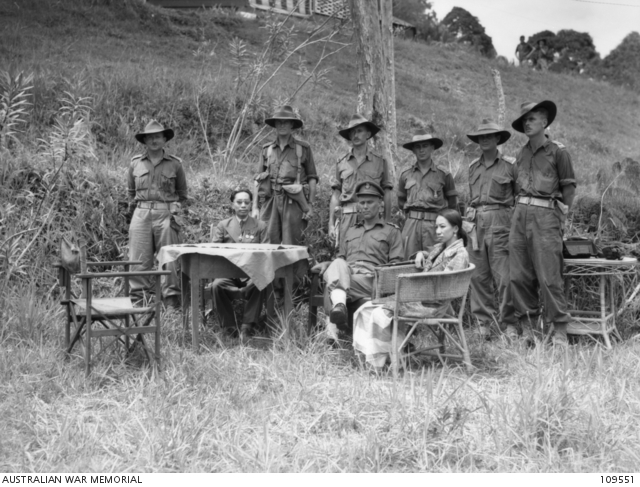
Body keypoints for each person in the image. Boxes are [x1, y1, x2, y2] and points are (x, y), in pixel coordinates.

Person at [353, 209, 470, 369]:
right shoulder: (442, 248)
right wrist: (421, 254)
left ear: (455, 229)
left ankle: (379, 364)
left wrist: (413, 284)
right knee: (364, 309)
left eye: (442, 227)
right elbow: (433, 258)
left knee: (379, 313)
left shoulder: (460, 254)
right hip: (420, 298)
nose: (438, 231)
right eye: (436, 227)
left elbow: (445, 283)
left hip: (432, 305)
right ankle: (395, 352)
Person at [510, 100, 577, 346]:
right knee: (519, 275)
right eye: (524, 120)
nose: (527, 123)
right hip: (519, 215)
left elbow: (568, 190)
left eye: (532, 118)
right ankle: (528, 331)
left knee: (549, 275)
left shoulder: (559, 152)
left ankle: (559, 331)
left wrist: (559, 217)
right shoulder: (522, 152)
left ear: (545, 122)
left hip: (546, 216)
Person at [312, 181, 404, 341]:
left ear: (381, 205)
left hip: (373, 279)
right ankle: (339, 308)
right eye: (362, 203)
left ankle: (332, 334)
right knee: (338, 266)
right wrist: (328, 264)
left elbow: (395, 266)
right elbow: (341, 259)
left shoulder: (391, 231)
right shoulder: (351, 231)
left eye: (370, 202)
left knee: (332, 283)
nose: (365, 206)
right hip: (349, 276)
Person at [465, 119, 518, 339]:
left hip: (501, 222)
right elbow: (470, 199)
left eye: (489, 136)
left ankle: (511, 326)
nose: (484, 140)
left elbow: (519, 196)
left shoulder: (510, 165)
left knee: (504, 277)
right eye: (481, 137)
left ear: (498, 138)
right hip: (476, 224)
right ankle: (482, 324)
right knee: (478, 277)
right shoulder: (472, 167)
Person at [127, 120, 187, 309]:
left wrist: (174, 212)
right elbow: (130, 192)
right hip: (141, 213)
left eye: (157, 136)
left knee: (168, 259)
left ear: (164, 139)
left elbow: (183, 195)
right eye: (150, 137)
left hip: (166, 214)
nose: (154, 140)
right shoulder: (135, 163)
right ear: (144, 140)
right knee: (138, 260)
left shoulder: (175, 165)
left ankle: (171, 304)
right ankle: (139, 304)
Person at [252, 105, 317, 246]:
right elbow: (258, 181)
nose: (282, 125)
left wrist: (310, 205)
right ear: (274, 124)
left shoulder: (303, 148)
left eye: (286, 121)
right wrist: (255, 207)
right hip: (270, 201)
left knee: (293, 244)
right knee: (267, 243)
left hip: (294, 202)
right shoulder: (266, 149)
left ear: (292, 124)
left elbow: (312, 178)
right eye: (279, 122)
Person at [209, 189, 268, 343]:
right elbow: (214, 250)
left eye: (246, 203)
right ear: (232, 205)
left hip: (251, 274)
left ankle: (247, 328)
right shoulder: (223, 225)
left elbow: (268, 252)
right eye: (239, 202)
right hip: (228, 274)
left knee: (260, 282)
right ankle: (228, 328)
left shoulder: (260, 226)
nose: (243, 206)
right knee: (217, 285)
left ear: (250, 205)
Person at [329, 114, 393, 249]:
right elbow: (336, 195)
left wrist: (386, 221)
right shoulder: (342, 163)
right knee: (345, 255)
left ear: (368, 134)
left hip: (372, 218)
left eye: (359, 131)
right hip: (347, 218)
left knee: (372, 254)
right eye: (352, 132)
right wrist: (331, 224)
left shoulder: (380, 162)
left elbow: (387, 193)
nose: (355, 135)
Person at [397, 129, 458, 260]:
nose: (421, 150)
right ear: (413, 150)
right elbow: (401, 201)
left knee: (436, 260)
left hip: (435, 226)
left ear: (432, 148)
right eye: (418, 147)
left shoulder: (443, 174)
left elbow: (453, 204)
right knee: (409, 262)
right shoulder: (405, 175)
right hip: (411, 226)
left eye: (425, 146)